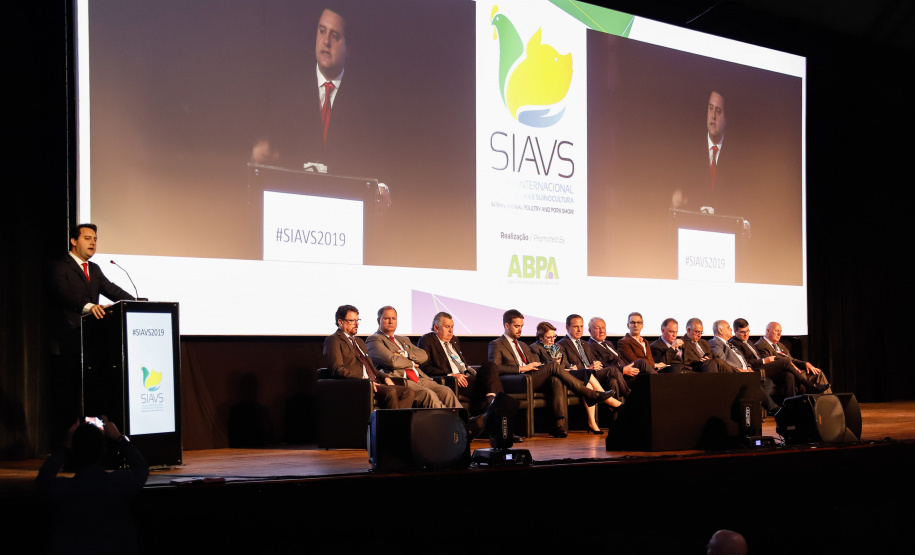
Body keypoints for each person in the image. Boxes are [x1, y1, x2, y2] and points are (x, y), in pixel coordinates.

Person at [51, 223, 136, 437]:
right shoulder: (60, 266)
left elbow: (111, 289)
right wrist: (90, 307)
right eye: (88, 238)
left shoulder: (95, 269)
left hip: (92, 342)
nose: (93, 242)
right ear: (74, 241)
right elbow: (63, 294)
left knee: (95, 393)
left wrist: (136, 302)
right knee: (72, 396)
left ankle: (95, 439)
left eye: (95, 239)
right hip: (69, 341)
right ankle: (69, 443)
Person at [478, 309, 614, 438]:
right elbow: (494, 368)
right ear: (506, 325)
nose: (520, 329)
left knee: (555, 378)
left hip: (531, 378)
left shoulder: (523, 345)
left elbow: (535, 365)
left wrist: (536, 367)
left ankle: (558, 425)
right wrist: (521, 369)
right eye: (516, 326)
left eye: (521, 326)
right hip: (514, 380)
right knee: (554, 366)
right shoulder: (496, 344)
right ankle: (587, 392)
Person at [37, 416, 148, 554]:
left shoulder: (64, 489)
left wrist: (65, 448)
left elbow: (43, 479)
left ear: (74, 453)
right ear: (104, 451)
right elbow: (141, 469)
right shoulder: (120, 483)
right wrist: (119, 438)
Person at [366, 306, 461, 409]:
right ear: (378, 320)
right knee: (428, 395)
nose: (390, 321)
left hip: (419, 378)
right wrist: (412, 363)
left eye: (393, 318)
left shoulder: (403, 340)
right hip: (401, 380)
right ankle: (449, 420)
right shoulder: (374, 340)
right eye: (386, 318)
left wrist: (404, 355)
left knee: (446, 391)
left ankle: (463, 421)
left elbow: (423, 355)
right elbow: (392, 361)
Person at [322, 305, 414, 409]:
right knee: (391, 391)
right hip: (357, 384)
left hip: (372, 383)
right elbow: (338, 369)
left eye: (357, 320)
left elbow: (370, 367)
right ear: (340, 322)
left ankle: (394, 423)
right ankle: (391, 424)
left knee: (408, 392)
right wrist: (363, 380)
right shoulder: (333, 340)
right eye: (352, 320)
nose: (357, 324)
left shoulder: (359, 342)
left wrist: (385, 378)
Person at [549, 317, 622, 434]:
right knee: (598, 377)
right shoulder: (561, 345)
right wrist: (588, 369)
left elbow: (593, 361)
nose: (579, 330)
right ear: (567, 328)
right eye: (576, 327)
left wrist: (596, 364)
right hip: (574, 378)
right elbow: (565, 368)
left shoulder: (585, 343)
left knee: (605, 379)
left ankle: (592, 422)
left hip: (592, 375)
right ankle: (613, 402)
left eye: (581, 326)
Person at [730, 318, 828, 397]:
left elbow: (791, 359)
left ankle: (793, 406)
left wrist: (804, 363)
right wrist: (765, 360)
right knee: (784, 363)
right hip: (757, 370)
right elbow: (747, 362)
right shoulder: (739, 344)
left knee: (793, 375)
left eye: (747, 331)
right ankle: (808, 385)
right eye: (742, 332)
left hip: (779, 368)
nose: (746, 334)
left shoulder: (750, 342)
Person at [709, 320, 779, 413]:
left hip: (746, 372)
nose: (731, 329)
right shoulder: (715, 342)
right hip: (736, 375)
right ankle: (775, 410)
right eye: (728, 327)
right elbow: (722, 362)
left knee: (767, 382)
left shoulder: (728, 343)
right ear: (720, 330)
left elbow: (741, 358)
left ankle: (756, 407)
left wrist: (748, 367)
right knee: (755, 386)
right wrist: (739, 371)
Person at [416, 311, 478, 408]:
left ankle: (491, 401)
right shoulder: (427, 340)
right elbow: (425, 367)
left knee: (489, 368)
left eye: (452, 327)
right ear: (436, 328)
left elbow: (462, 363)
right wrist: (450, 375)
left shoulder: (454, 340)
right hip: (452, 380)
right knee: (486, 384)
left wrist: (471, 371)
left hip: (466, 375)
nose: (451, 331)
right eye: (447, 327)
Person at [755, 322, 831, 394]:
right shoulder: (761, 345)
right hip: (783, 373)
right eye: (776, 331)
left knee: (818, 373)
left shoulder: (780, 345)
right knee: (804, 378)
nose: (779, 334)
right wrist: (790, 365)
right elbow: (772, 364)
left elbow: (791, 359)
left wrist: (805, 364)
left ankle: (828, 403)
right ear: (768, 331)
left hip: (793, 370)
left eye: (780, 331)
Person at [587, 317, 651, 397]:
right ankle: (629, 401)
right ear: (590, 330)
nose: (602, 331)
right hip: (617, 375)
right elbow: (602, 366)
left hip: (625, 372)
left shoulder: (608, 343)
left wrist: (628, 367)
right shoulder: (589, 346)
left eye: (603, 327)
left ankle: (662, 382)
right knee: (613, 381)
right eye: (598, 328)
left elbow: (619, 358)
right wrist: (623, 370)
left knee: (642, 363)